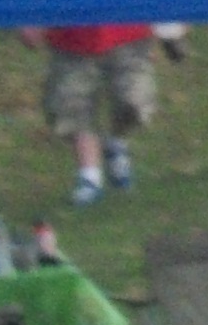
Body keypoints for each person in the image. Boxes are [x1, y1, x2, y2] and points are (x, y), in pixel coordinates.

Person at [37, 21, 160, 204]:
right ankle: (90, 177)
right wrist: (31, 20)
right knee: (72, 107)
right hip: (71, 38)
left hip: (128, 32)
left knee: (134, 103)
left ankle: (115, 141)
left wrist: (172, 26)